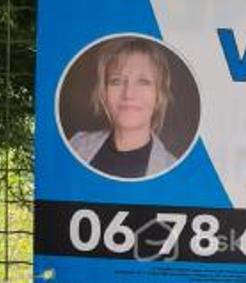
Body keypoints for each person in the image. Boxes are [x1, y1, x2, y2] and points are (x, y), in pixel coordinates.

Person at [70, 38, 177, 179]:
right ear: (103, 92)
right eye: (117, 81)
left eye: (143, 82)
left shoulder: (174, 170)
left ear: (159, 95)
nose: (128, 94)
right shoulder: (76, 145)